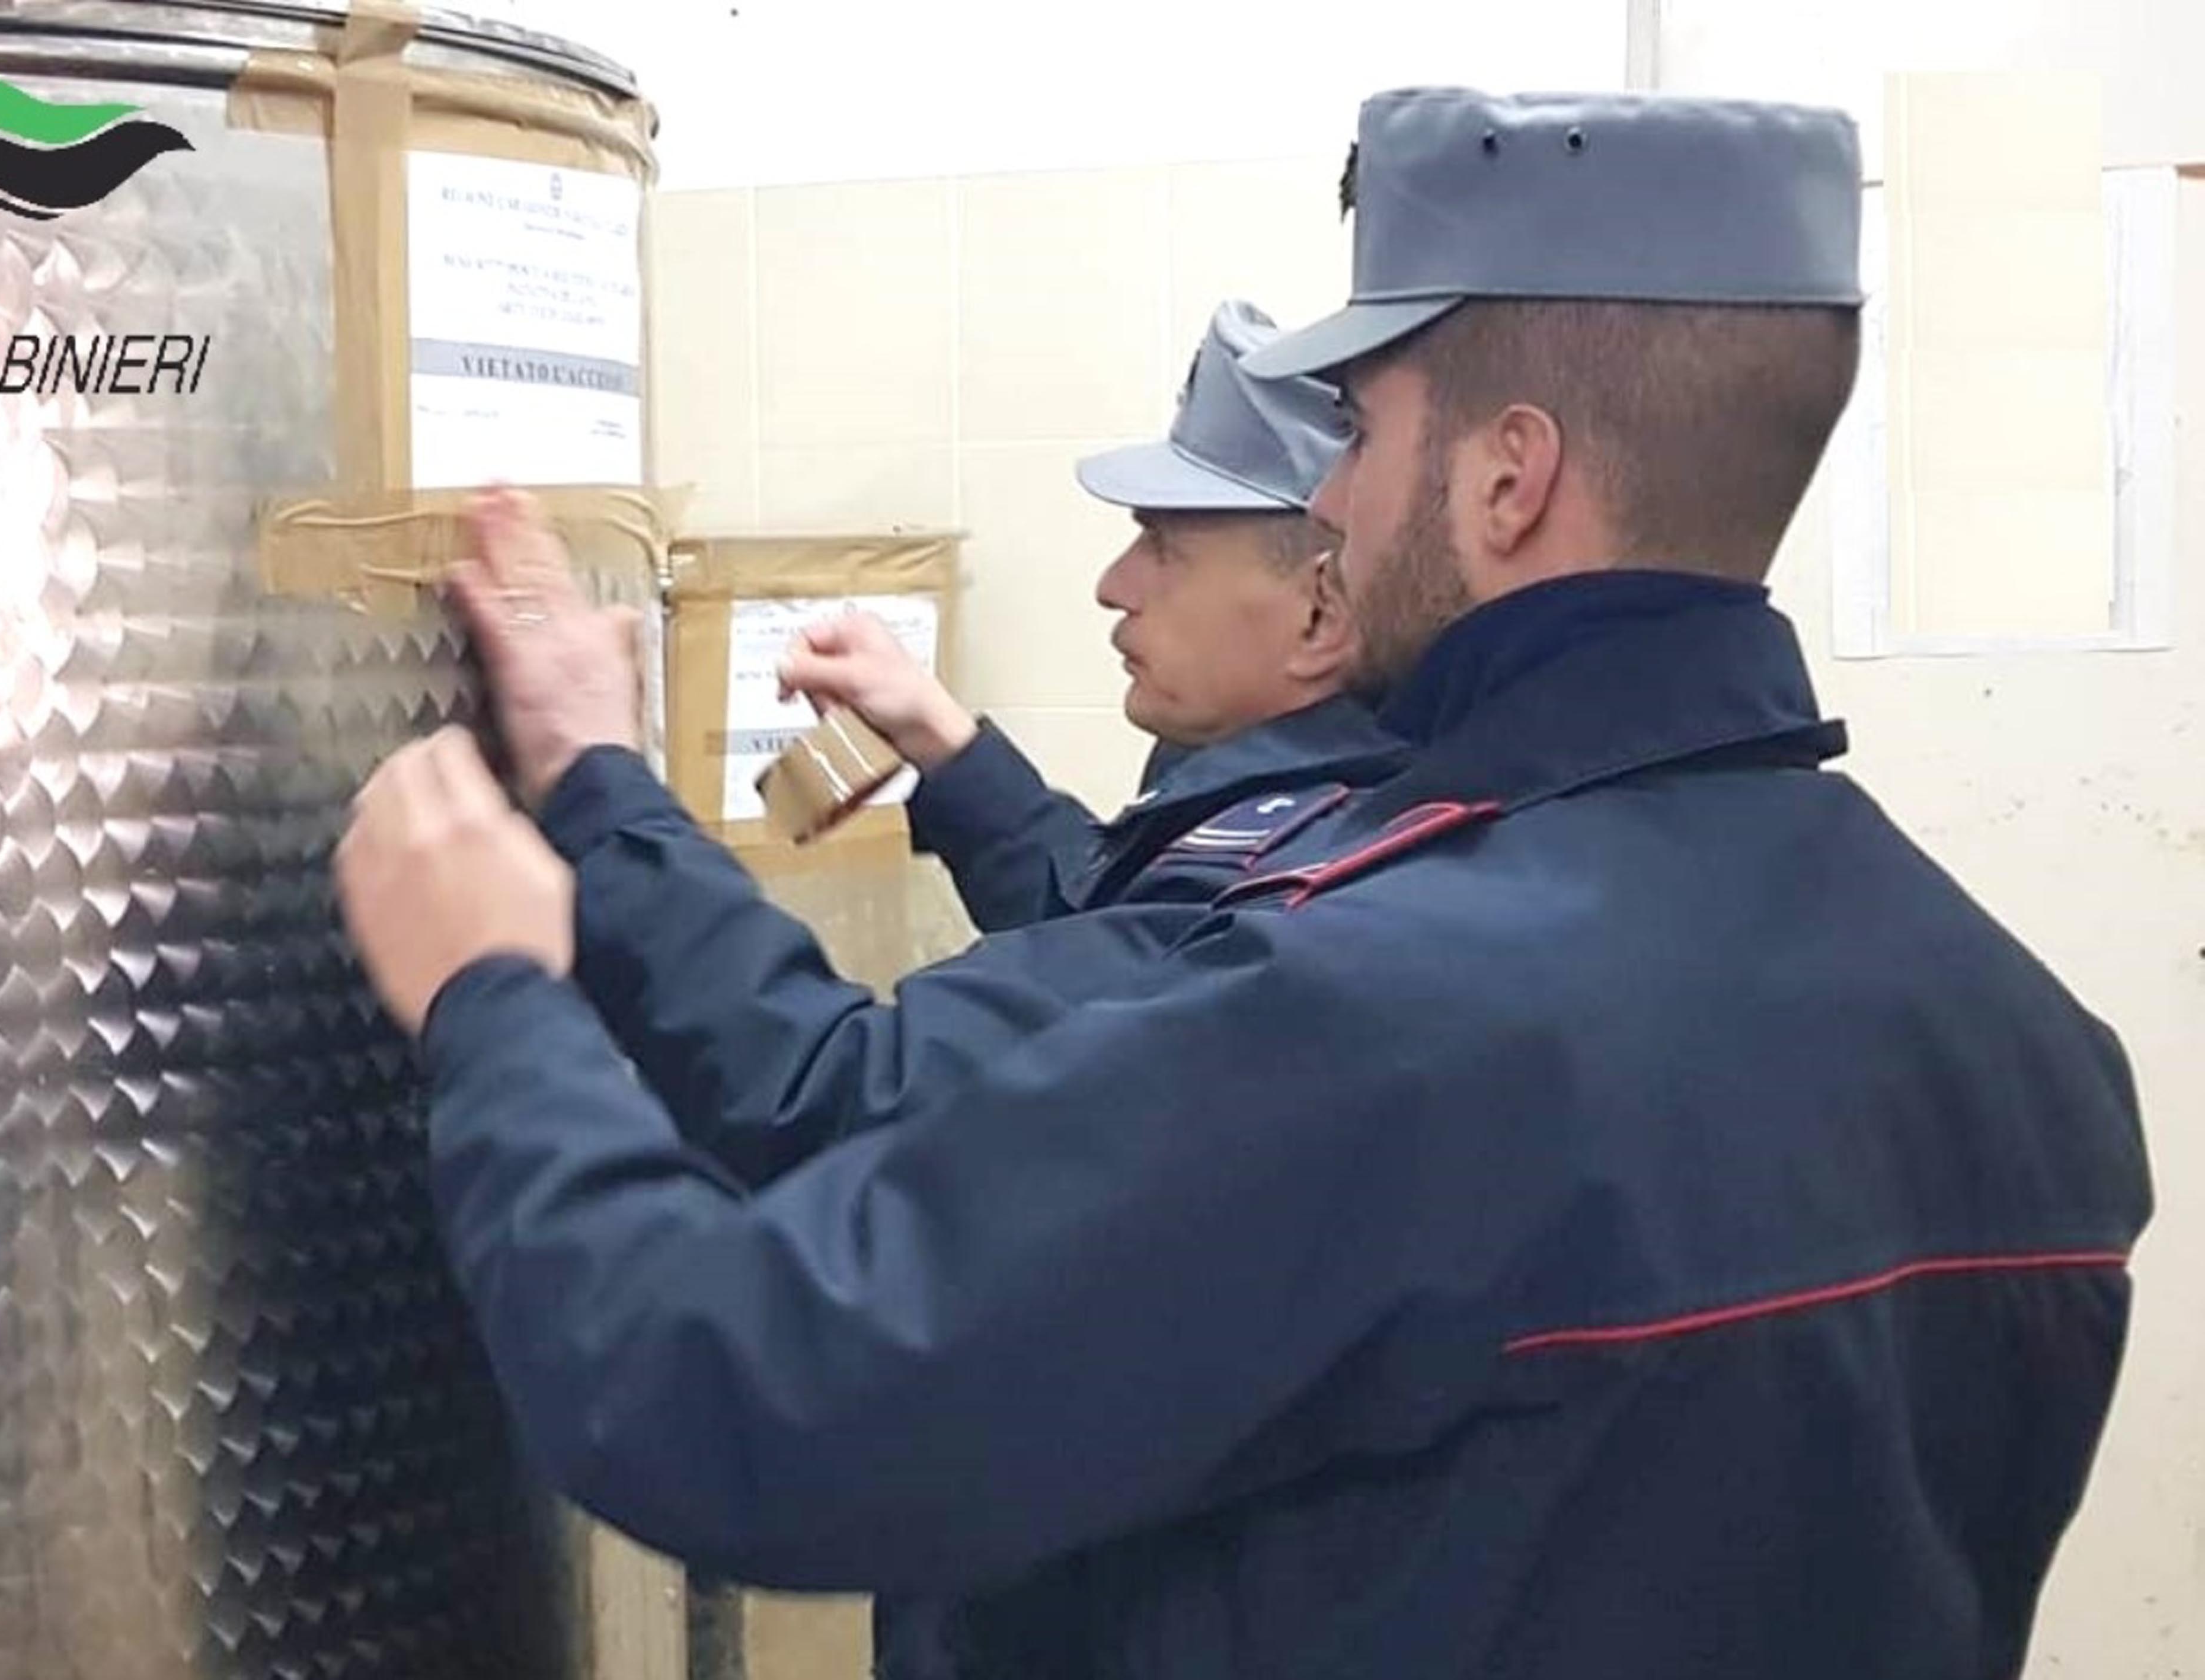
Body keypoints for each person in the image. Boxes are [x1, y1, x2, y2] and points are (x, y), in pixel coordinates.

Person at [335, 88, 2152, 1680]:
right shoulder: (2027, 1046)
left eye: (1358, 434)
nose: (1333, 509)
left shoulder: (1394, 1018)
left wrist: (498, 999)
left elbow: (738, 1398)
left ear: (1508, 478)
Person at [783, 299, 1383, 933]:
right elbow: (1097, 917)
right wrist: (939, 738)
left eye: (1164, 547)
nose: (1111, 587)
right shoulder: (1227, 764)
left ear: (1319, 615)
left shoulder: (1322, 883)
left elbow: (1108, 967)